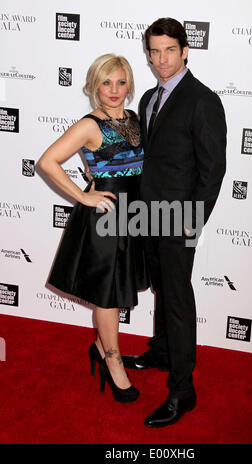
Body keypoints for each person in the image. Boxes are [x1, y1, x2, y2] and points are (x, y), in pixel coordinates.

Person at [123, 18, 227, 426]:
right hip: (148, 214)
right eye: (154, 51)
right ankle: (163, 351)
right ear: (147, 53)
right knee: (163, 290)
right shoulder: (149, 97)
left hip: (179, 218)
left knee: (178, 300)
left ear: (185, 51)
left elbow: (213, 169)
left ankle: (183, 392)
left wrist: (192, 222)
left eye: (170, 50)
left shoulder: (203, 100)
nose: (161, 59)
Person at [38, 54, 148, 403]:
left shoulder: (134, 118)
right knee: (108, 293)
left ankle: (101, 348)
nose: (113, 90)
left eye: (120, 82)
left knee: (117, 288)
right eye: (106, 82)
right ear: (93, 86)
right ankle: (113, 361)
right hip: (105, 216)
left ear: (129, 85)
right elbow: (47, 161)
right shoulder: (89, 125)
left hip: (133, 214)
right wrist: (83, 197)